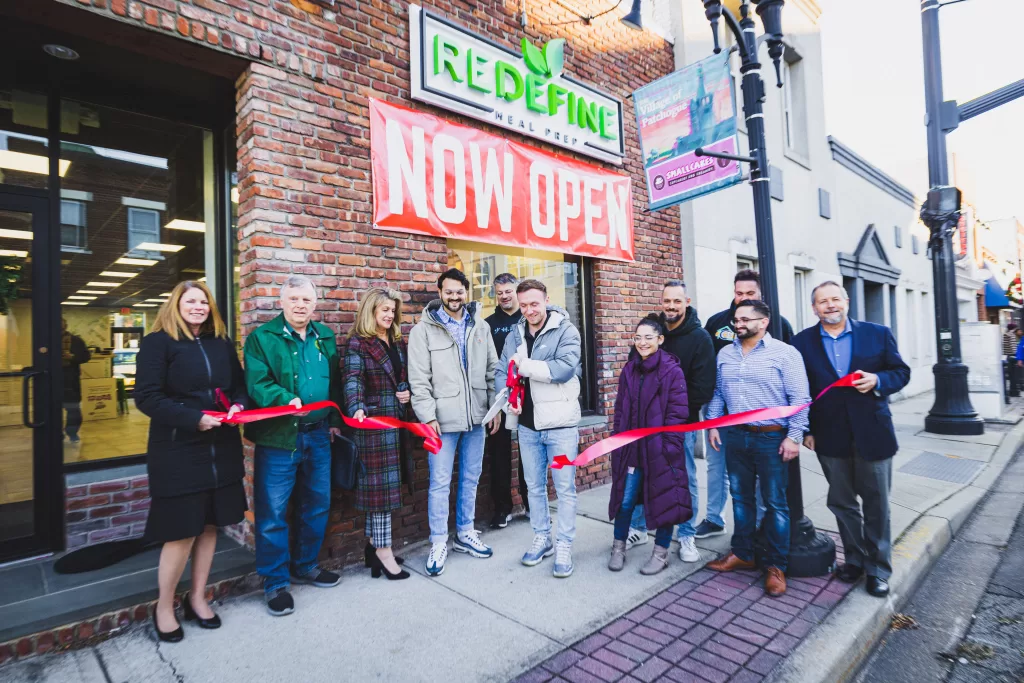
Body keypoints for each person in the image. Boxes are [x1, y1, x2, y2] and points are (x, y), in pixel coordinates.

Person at [134, 281, 248, 643]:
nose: (198, 306)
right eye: (190, 301)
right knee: (181, 530)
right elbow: (147, 398)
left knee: (211, 525)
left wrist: (238, 406)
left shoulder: (221, 343)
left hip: (221, 445)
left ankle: (197, 597)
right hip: (179, 449)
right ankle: (164, 606)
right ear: (176, 305)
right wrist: (193, 417)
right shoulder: (158, 343)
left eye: (203, 301)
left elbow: (240, 387)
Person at [792, 282, 910, 598]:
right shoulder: (801, 342)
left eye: (834, 299)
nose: (829, 305)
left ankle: (878, 570)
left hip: (873, 434)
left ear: (846, 302)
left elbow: (901, 372)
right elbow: (799, 391)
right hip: (829, 437)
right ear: (814, 308)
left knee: (877, 505)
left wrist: (878, 380)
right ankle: (856, 560)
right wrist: (806, 431)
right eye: (822, 302)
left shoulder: (877, 333)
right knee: (842, 504)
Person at [244, 275, 344, 617]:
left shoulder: (325, 336)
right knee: (273, 511)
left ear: (315, 304)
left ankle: (306, 565)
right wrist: (287, 400)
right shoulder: (262, 338)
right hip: (279, 437)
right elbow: (257, 384)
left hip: (318, 434)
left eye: (306, 300)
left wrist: (333, 423)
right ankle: (274, 583)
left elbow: (335, 383)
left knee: (317, 503)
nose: (300, 305)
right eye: (294, 299)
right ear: (281, 302)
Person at [705, 300, 810, 597]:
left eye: (744, 319)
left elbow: (800, 398)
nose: (737, 323)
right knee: (741, 498)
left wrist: (795, 436)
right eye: (736, 319)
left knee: (775, 502)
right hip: (736, 437)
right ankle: (743, 553)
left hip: (772, 438)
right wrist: (712, 423)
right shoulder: (725, 353)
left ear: (763, 322)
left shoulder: (785, 354)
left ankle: (776, 565)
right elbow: (717, 393)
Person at [408, 268, 499, 577]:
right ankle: (438, 542)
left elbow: (492, 370)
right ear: (440, 292)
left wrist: (495, 408)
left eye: (460, 291)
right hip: (441, 422)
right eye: (449, 291)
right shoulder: (422, 330)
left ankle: (465, 533)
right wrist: (427, 416)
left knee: (471, 477)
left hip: (476, 417)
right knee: (439, 483)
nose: (455, 296)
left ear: (466, 292)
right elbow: (418, 380)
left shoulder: (481, 327)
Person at [495, 279, 583, 578]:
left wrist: (525, 366)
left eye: (534, 303)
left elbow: (564, 368)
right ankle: (542, 538)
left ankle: (564, 545)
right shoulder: (514, 334)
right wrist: (507, 398)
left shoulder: (566, 330)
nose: (529, 310)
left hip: (560, 426)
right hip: (528, 426)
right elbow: (502, 370)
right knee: (533, 487)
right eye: (524, 305)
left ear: (546, 299)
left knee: (564, 488)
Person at [698, 270, 795, 540]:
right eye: (739, 293)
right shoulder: (717, 323)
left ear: (760, 294)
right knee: (716, 468)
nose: (743, 298)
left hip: (761, 418)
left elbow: (792, 375)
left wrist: (794, 429)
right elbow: (709, 368)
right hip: (721, 414)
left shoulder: (778, 325)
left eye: (750, 294)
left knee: (756, 478)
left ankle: (760, 529)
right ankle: (714, 519)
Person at [626, 281, 716, 564]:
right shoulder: (652, 332)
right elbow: (634, 372)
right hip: (645, 424)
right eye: (667, 301)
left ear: (686, 301)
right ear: (661, 301)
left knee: (682, 479)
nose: (671, 307)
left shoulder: (700, 339)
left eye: (677, 301)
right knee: (642, 476)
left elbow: (702, 388)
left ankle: (686, 534)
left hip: (680, 425)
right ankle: (639, 529)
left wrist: (669, 415)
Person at [608, 316, 692, 575]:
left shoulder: (671, 370)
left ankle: (661, 553)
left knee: (664, 501)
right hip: (632, 450)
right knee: (625, 499)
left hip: (660, 450)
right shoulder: (630, 370)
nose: (642, 343)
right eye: (638, 338)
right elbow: (621, 410)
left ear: (660, 340)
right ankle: (618, 547)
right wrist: (618, 441)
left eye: (648, 337)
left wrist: (669, 447)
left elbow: (678, 413)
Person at [343, 287, 411, 581]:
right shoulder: (359, 343)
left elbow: (402, 377)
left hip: (396, 423)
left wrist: (406, 393)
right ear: (370, 311)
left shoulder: (396, 341)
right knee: (380, 495)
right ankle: (383, 552)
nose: (389, 315)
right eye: (383, 310)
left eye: (392, 310)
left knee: (386, 491)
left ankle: (374, 548)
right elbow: (352, 379)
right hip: (372, 426)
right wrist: (356, 406)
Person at [485, 273, 526, 529]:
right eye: (499, 292)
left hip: (528, 397)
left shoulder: (528, 318)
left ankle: (531, 503)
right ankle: (502, 509)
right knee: (498, 455)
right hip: (500, 397)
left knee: (529, 453)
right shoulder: (488, 324)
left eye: (508, 291)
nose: (504, 296)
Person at [61, 318, 91, 444]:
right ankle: (56, 434)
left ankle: (72, 432)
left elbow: (86, 356)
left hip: (70, 380)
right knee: (53, 410)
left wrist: (72, 357)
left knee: (73, 409)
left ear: (66, 325)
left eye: (61, 323)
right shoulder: (47, 340)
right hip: (52, 380)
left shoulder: (76, 340)